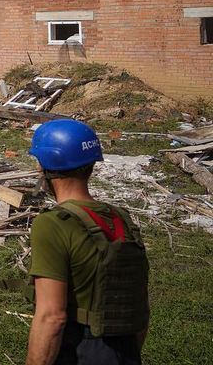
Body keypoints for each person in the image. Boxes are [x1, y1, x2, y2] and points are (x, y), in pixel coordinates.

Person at [26, 119, 149, 365]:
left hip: (79, 349)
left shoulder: (53, 224)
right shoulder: (120, 218)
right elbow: (141, 309)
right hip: (124, 349)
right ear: (91, 165)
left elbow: (52, 317)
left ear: (45, 167)